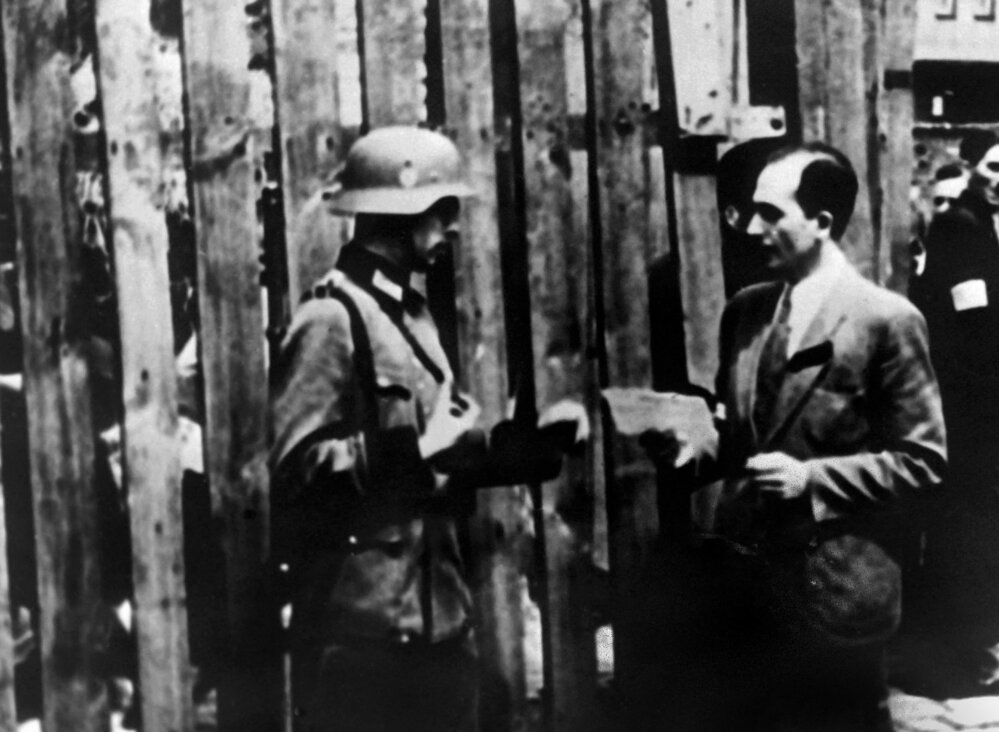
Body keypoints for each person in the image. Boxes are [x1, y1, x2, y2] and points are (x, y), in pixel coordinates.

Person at [269, 126, 587, 732]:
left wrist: (534, 444)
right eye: (443, 210)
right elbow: (297, 476)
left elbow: (450, 445)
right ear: (398, 210)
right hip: (363, 635)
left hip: (441, 626)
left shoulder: (409, 315)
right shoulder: (329, 319)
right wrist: (418, 448)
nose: (455, 226)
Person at [649, 142, 945, 731]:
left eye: (771, 213)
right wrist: (694, 446)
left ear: (822, 223)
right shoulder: (747, 311)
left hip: (835, 593)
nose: (753, 227)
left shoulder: (885, 320)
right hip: (749, 589)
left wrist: (811, 479)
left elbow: (923, 462)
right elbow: (742, 435)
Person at [904, 128, 999, 697]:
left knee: (980, 525)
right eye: (994, 167)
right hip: (969, 408)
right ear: (970, 165)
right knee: (989, 521)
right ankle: (954, 657)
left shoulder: (982, 225)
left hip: (978, 405)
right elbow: (971, 328)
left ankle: (962, 651)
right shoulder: (960, 226)